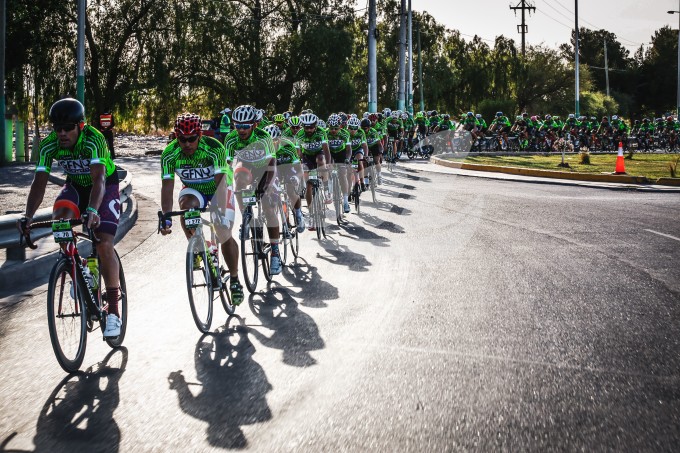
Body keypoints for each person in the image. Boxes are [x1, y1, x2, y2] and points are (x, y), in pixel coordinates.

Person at [18, 98, 123, 337]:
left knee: (104, 243)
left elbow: (99, 180)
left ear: (81, 126)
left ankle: (114, 311)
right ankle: (79, 267)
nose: (62, 134)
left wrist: (94, 210)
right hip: (76, 185)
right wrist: (28, 216)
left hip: (105, 187)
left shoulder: (94, 139)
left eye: (68, 129)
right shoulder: (49, 145)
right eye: (58, 129)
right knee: (60, 219)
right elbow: (39, 182)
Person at [159, 112, 244, 304]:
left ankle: (235, 278)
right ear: (175, 136)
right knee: (186, 208)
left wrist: (220, 210)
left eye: (191, 139)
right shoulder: (169, 154)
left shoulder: (214, 148)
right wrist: (166, 216)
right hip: (193, 190)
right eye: (182, 139)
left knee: (223, 231)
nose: (187, 144)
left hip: (219, 188)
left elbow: (220, 183)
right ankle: (197, 245)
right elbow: (167, 187)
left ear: (200, 135)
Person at [224, 105, 283, 275]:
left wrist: (264, 190)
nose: (241, 130)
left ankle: (275, 253)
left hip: (266, 169)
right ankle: (246, 216)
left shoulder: (263, 137)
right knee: (238, 177)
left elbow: (271, 165)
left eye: (245, 126)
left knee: (268, 207)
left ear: (254, 125)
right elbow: (226, 166)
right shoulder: (231, 138)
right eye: (237, 126)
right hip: (247, 167)